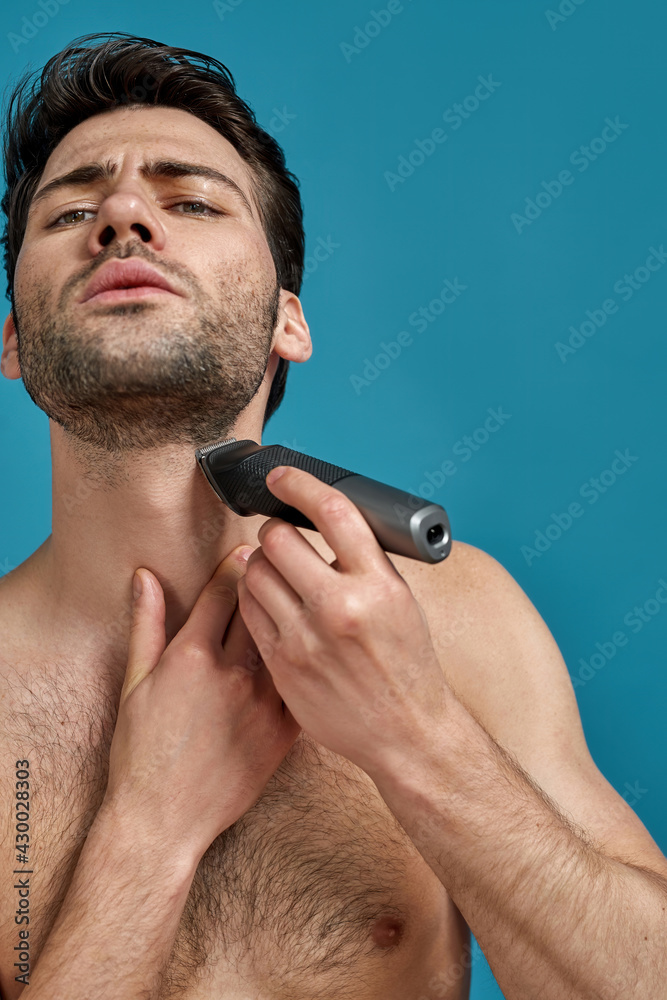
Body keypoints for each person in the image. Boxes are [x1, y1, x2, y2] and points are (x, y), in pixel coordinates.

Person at [0, 32, 665, 1000]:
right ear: (14, 342)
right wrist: (147, 834)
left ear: (288, 321)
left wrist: (416, 736)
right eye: (71, 211)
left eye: (189, 200)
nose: (126, 217)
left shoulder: (455, 615)